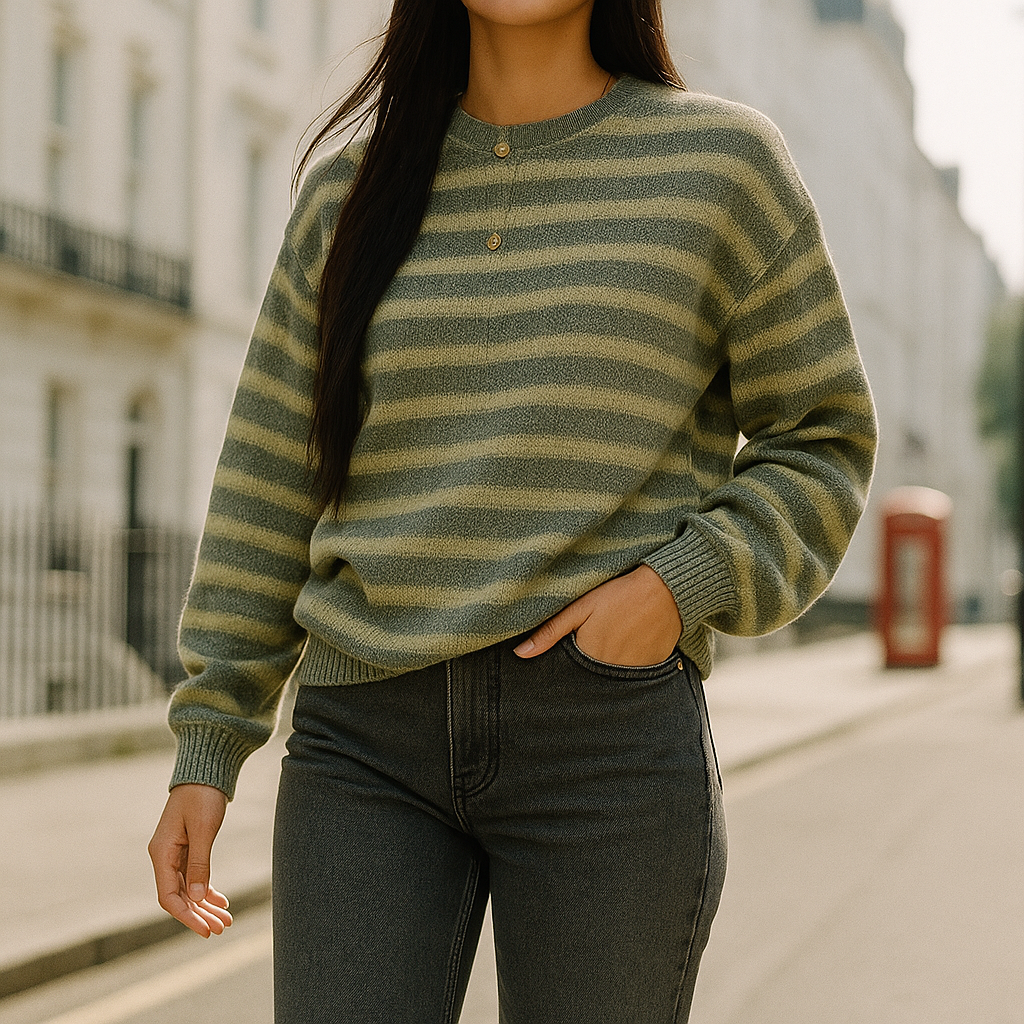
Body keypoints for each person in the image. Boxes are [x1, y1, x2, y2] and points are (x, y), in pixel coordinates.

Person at [149, 1, 877, 1020]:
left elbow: (822, 437)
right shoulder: (347, 195)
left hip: (605, 737)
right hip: (364, 747)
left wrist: (673, 590)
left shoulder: (721, 167)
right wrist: (210, 740)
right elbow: (271, 478)